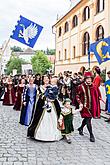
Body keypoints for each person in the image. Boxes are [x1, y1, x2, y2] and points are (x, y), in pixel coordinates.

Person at [27, 75, 62, 141]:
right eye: (45, 79)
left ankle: (53, 133)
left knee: (54, 118)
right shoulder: (40, 87)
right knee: (40, 118)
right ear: (42, 80)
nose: (46, 80)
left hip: (52, 104)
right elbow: (39, 95)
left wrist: (53, 98)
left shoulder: (53, 86)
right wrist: (46, 98)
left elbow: (55, 95)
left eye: (47, 79)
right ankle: (40, 135)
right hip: (43, 105)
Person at [76, 71, 101, 142]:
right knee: (88, 119)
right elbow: (77, 96)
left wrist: (98, 98)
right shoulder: (81, 86)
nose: (89, 80)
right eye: (87, 79)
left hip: (92, 106)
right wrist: (80, 103)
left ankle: (81, 128)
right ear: (85, 79)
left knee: (87, 119)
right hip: (85, 106)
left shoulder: (94, 86)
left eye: (90, 78)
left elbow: (97, 94)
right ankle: (91, 135)